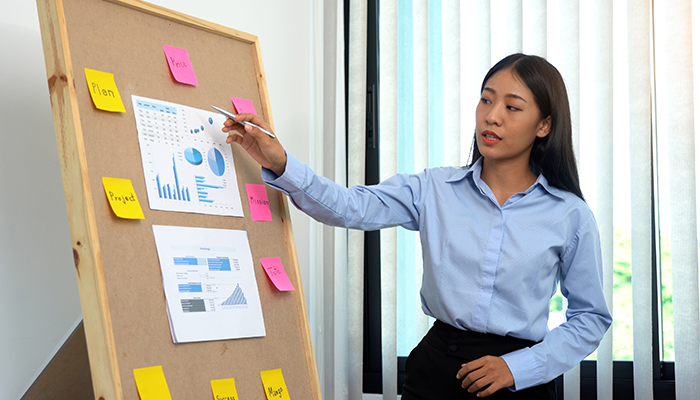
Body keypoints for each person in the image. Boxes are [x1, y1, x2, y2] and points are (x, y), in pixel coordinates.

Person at [222, 53, 611, 399]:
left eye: (513, 107)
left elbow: (590, 318)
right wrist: (281, 161)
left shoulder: (569, 215)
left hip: (517, 380)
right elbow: (350, 207)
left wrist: (517, 368)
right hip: (435, 371)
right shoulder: (435, 189)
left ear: (543, 125)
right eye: (486, 99)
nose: (492, 116)